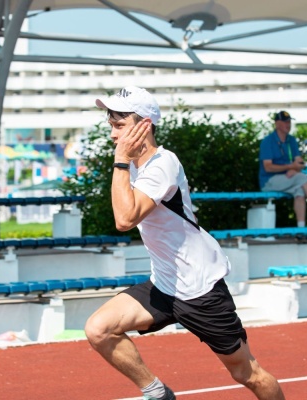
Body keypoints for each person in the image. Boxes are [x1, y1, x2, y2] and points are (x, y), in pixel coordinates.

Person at [84, 86, 285, 400]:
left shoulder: (162, 164)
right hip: (165, 285)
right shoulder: (134, 164)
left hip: (200, 289)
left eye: (119, 125)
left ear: (144, 126)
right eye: (111, 125)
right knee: (99, 329)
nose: (113, 134)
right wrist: (125, 161)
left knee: (247, 374)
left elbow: (124, 220)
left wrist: (120, 161)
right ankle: (158, 394)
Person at [259, 110, 307, 226]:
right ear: (277, 124)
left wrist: (294, 169)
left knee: (300, 190)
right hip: (269, 181)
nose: (288, 124)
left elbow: (299, 163)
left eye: (289, 121)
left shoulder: (291, 140)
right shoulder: (268, 141)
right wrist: (290, 167)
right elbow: (268, 167)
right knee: (301, 178)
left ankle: (301, 228)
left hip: (288, 178)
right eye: (285, 122)